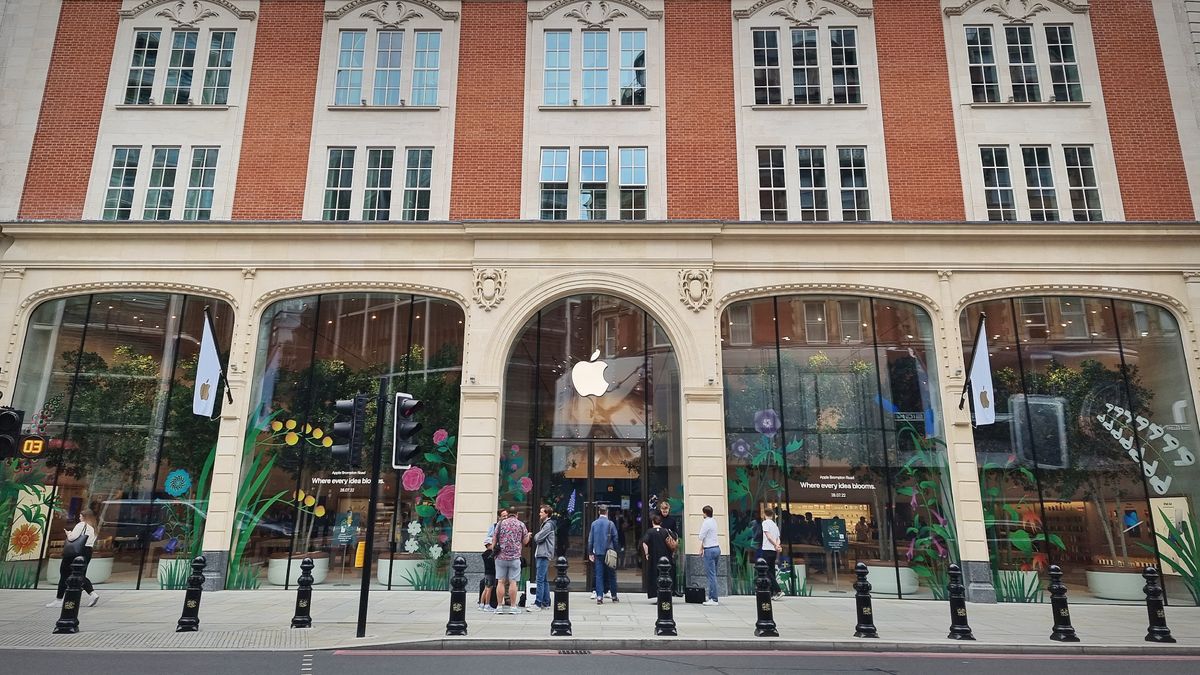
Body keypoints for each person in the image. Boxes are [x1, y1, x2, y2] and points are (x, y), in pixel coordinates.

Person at [48, 508, 99, 608]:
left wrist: (68, 534)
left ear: (84, 517)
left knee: (64, 574)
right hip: (87, 552)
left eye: (80, 516)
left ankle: (59, 599)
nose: (79, 518)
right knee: (79, 574)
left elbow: (72, 538)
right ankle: (92, 594)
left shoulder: (81, 525)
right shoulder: (93, 528)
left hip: (74, 552)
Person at [493, 508, 530, 614]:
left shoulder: (500, 524)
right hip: (515, 557)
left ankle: (499, 606)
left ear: (508, 514)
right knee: (513, 582)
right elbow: (525, 541)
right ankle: (513, 607)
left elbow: (494, 539)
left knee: (500, 581)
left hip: (500, 557)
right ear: (517, 514)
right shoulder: (521, 524)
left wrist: (494, 551)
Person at [587, 504, 619, 604]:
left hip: (598, 552)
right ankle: (614, 596)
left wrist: (590, 552)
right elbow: (615, 538)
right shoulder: (611, 524)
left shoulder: (594, 524)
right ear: (607, 512)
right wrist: (616, 550)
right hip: (609, 552)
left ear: (599, 512)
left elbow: (590, 540)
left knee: (599, 575)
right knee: (612, 575)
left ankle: (599, 597)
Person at [640, 513, 674, 601]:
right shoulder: (665, 531)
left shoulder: (650, 532)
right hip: (665, 558)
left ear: (652, 522)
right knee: (665, 575)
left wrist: (647, 554)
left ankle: (655, 593)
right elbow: (673, 542)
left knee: (654, 575)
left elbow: (644, 543)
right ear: (661, 523)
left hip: (654, 557)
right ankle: (666, 593)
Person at [532, 504, 556, 610]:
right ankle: (546, 602)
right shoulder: (547, 524)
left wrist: (536, 535)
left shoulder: (547, 525)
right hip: (544, 553)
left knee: (540, 579)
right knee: (544, 580)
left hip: (543, 553)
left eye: (542, 512)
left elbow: (538, 538)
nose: (539, 514)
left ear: (547, 513)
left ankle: (538, 603)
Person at [658, 500, 683, 597]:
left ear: (669, 510)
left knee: (672, 568)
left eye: (666, 509)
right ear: (660, 509)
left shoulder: (672, 520)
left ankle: (673, 589)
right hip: (661, 547)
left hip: (669, 547)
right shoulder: (658, 519)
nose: (664, 511)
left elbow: (676, 534)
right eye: (663, 509)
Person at [698, 504, 720, 606]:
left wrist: (702, 547)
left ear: (705, 513)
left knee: (711, 575)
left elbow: (701, 536)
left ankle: (713, 598)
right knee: (714, 574)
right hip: (716, 548)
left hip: (709, 550)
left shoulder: (706, 522)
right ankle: (712, 596)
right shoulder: (714, 521)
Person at [761, 507, 783, 599]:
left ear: (764, 514)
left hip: (767, 549)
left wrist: (775, 545)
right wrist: (777, 546)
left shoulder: (765, 523)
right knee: (772, 571)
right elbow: (778, 538)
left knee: (767, 570)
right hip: (773, 551)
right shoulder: (775, 525)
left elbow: (768, 536)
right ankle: (772, 593)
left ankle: (778, 590)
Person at [478, 538, 497, 612]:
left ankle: (482, 604)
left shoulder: (485, 554)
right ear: (489, 545)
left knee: (486, 589)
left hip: (487, 573)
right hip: (491, 573)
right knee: (489, 589)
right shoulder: (490, 554)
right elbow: (492, 562)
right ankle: (487, 605)